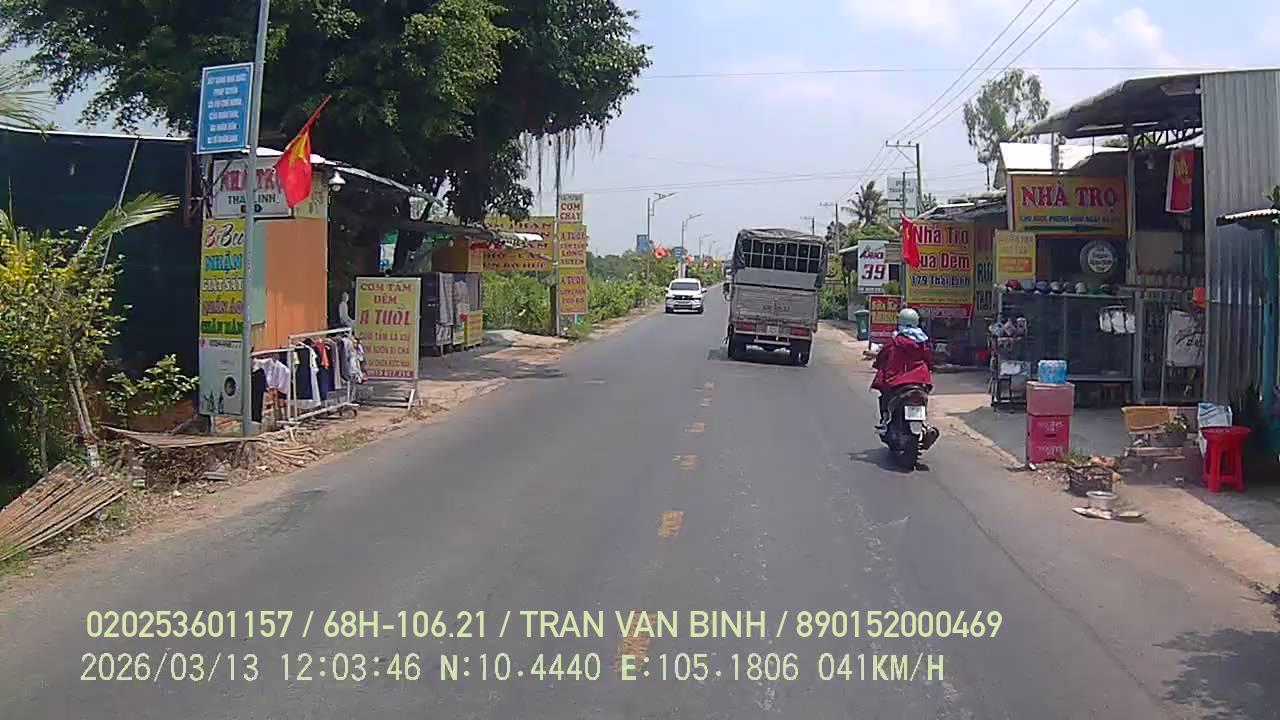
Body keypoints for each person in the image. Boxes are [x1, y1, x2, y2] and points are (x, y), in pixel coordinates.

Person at [872, 307, 934, 429]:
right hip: (920, 381)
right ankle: (924, 424)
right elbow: (929, 359)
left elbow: (882, 355)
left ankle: (885, 419)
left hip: (897, 381)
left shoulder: (895, 341)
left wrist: (877, 364)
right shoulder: (922, 341)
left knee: (885, 395)